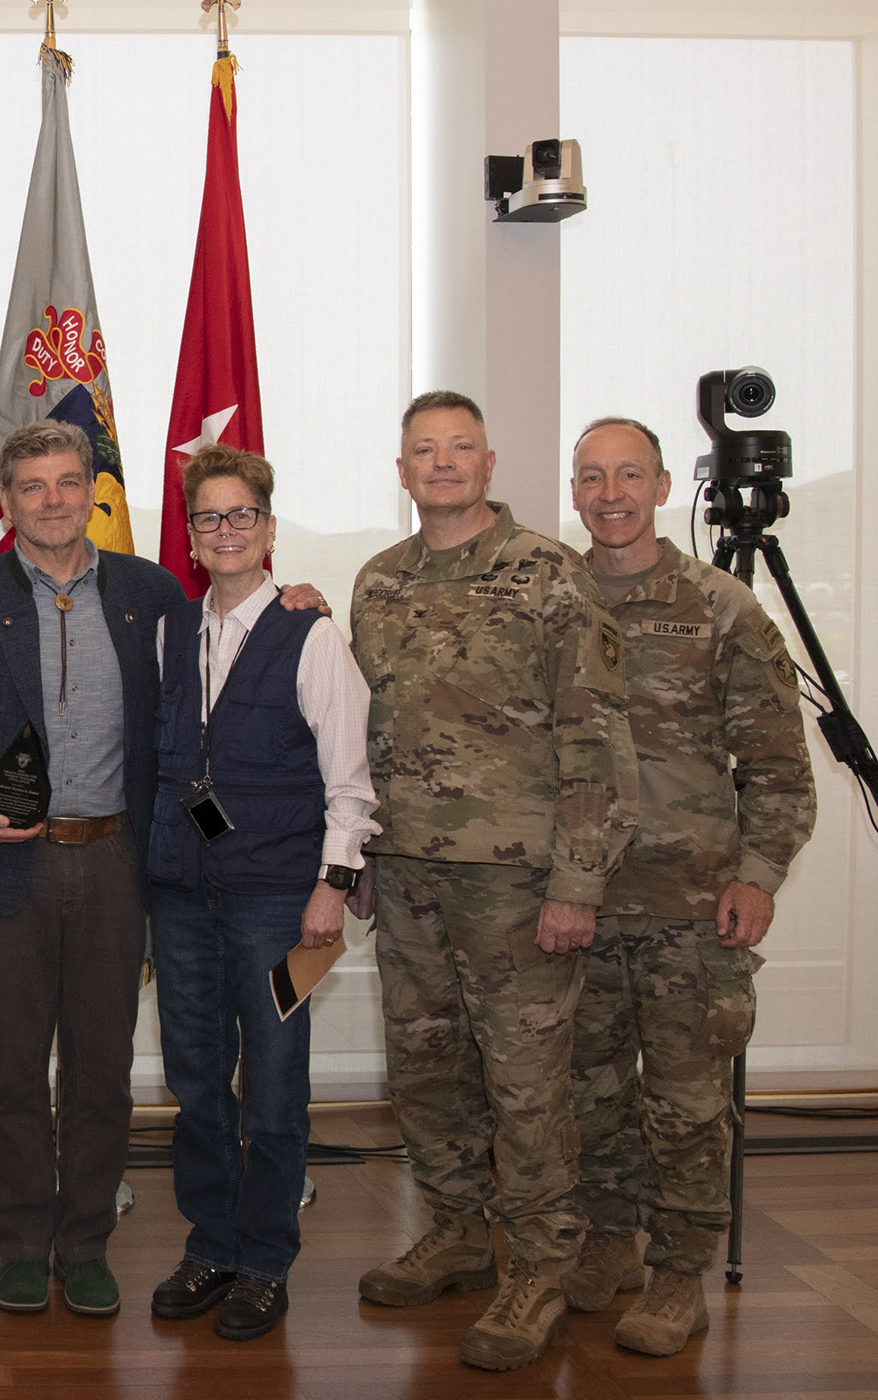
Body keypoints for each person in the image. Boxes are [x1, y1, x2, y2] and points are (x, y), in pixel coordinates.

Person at [347, 390, 638, 1370]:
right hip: (408, 877)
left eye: (458, 447)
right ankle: (462, 1231)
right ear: (401, 470)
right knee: (426, 1070)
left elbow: (597, 742)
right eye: (423, 450)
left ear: (489, 462)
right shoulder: (378, 582)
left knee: (525, 1083)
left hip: (518, 886)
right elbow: (366, 728)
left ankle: (544, 1266)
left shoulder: (552, 577)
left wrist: (578, 884)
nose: (440, 463)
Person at [0, 421, 181, 1318]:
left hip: (113, 862)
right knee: (14, 1072)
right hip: (1, 867)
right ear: (5, 502)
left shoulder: (152, 594)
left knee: (101, 1072)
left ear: (95, 491)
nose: (53, 499)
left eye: (69, 482)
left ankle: (86, 1243)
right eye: (33, 485)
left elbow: (205, 690)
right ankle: (23, 1243)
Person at [563, 417, 815, 1355]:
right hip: (577, 900)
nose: (611, 493)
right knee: (589, 1092)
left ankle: (678, 1274)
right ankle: (608, 1246)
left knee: (685, 1099)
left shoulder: (722, 609)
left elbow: (780, 766)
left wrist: (758, 875)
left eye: (629, 474)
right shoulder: (554, 596)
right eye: (593, 477)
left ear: (665, 486)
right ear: (575, 490)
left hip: (691, 910)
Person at [145, 444, 379, 1341]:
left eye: (244, 514)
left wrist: (334, 886)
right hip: (182, 896)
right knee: (196, 1080)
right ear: (193, 537)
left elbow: (350, 780)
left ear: (270, 528)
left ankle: (265, 1260)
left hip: (278, 899)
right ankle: (211, 1243)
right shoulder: (173, 632)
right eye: (210, 517)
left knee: (275, 1085)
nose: (228, 530)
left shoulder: (310, 634)